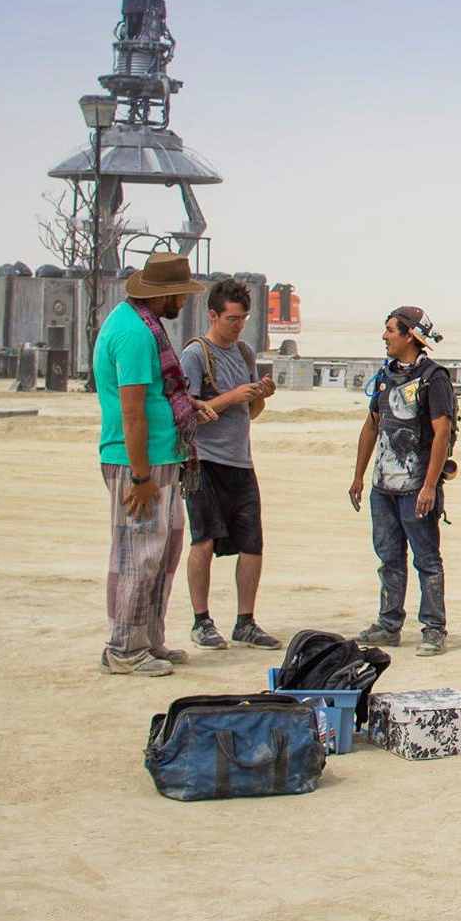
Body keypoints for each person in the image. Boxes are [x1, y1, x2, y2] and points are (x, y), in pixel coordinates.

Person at [92, 252, 217, 676]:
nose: (184, 301)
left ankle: (147, 640)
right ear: (165, 294)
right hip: (138, 464)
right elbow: (131, 411)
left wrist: (187, 406)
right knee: (138, 555)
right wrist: (141, 476)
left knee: (162, 553)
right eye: (181, 294)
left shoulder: (146, 326)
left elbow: (153, 396)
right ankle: (124, 649)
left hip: (163, 457)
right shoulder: (133, 333)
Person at [180, 277, 281, 650]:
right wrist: (233, 396)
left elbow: (250, 412)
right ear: (213, 315)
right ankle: (201, 621)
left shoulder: (245, 353)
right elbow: (186, 413)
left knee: (252, 544)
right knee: (203, 541)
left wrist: (259, 395)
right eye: (232, 319)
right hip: (204, 462)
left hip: (240, 461)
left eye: (243, 319)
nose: (238, 326)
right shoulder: (195, 355)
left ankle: (245, 621)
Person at [348, 306, 455, 656]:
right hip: (383, 488)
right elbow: (372, 425)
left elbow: (442, 433)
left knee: (427, 559)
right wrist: (359, 476)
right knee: (389, 557)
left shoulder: (434, 379)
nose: (385, 336)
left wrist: (429, 486)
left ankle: (434, 629)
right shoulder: (386, 375)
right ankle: (388, 624)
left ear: (409, 335)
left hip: (415, 489)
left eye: (391, 330)